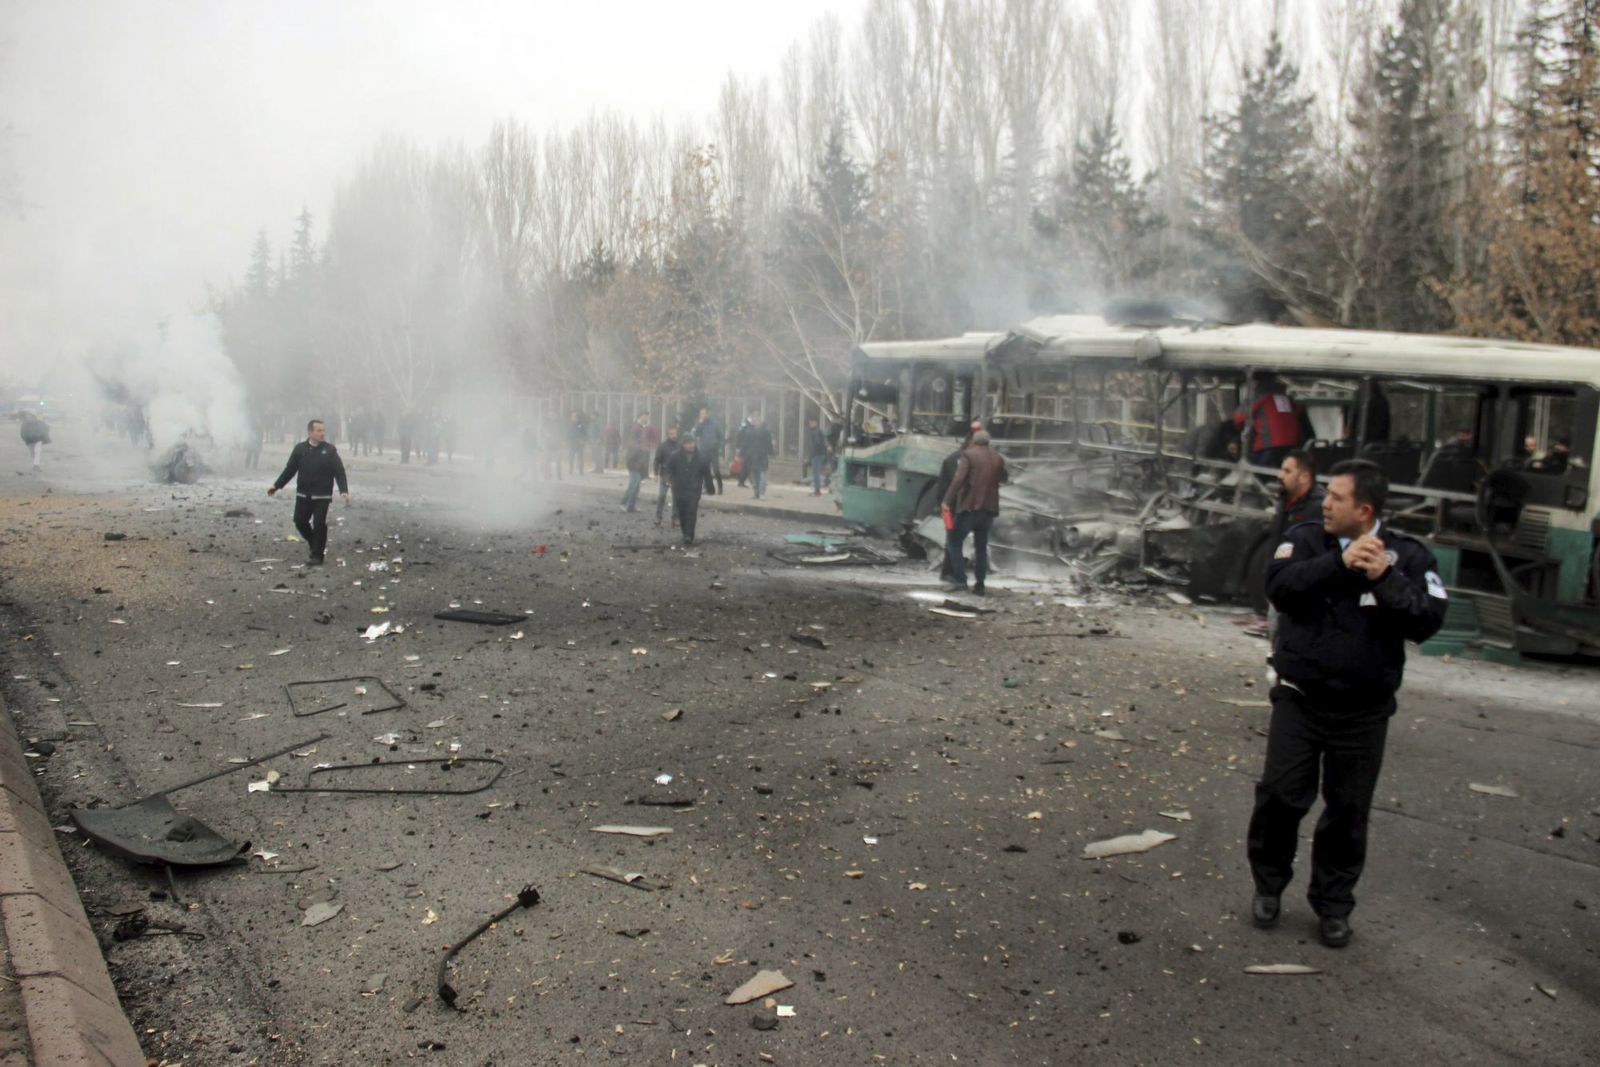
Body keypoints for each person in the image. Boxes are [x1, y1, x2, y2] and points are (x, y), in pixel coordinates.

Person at [1248, 459, 1448, 948]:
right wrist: (1338, 564)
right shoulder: (1305, 539)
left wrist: (1385, 578)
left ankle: (1334, 906)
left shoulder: (1408, 555)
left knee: (1348, 812)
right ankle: (1268, 886)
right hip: (1300, 698)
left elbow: (1427, 621)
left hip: (1364, 710)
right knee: (1280, 797)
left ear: (1365, 511)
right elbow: (1278, 588)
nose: (1326, 504)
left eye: (1336, 498)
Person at [268, 419, 350, 566]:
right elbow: (290, 470)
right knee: (300, 522)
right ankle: (314, 543)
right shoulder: (300, 449)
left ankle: (317, 556)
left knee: (319, 524)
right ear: (310, 432)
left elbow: (339, 471)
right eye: (319, 430)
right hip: (303, 494)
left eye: (323, 430)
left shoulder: (329, 450)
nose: (322, 433)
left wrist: (343, 490)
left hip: (322, 495)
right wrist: (277, 486)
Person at [941, 430, 1008, 595]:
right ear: (989, 442)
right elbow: (1004, 478)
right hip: (989, 510)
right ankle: (980, 585)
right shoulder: (997, 458)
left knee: (954, 541)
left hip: (969, 507)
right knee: (981, 547)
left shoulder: (968, 455)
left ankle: (960, 580)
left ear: (973, 442)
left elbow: (958, 479)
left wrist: (947, 501)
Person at [933, 422, 981, 582]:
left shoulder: (951, 459)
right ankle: (952, 573)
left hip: (949, 507)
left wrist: (940, 505)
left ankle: (947, 572)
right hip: (960, 508)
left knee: (952, 539)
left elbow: (941, 485)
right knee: (954, 540)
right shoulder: (970, 460)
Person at [1235, 374, 1314, 468]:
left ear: (1256, 382)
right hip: (1292, 445)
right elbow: (1298, 412)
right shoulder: (1285, 396)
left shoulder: (1259, 396)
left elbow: (1239, 418)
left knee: (1256, 471)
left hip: (1268, 445)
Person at [664, 433, 716, 545]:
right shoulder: (675, 456)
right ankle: (685, 533)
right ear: (683, 444)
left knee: (691, 512)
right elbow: (668, 469)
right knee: (682, 512)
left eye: (692, 443)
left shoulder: (701, 457)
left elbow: (707, 474)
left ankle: (689, 536)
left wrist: (710, 488)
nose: (690, 445)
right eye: (688, 443)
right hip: (679, 489)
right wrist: (668, 479)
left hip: (694, 489)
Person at [619, 414, 656, 512]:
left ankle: (631, 505)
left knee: (636, 485)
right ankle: (624, 503)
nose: (642, 437)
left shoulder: (640, 442)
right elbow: (631, 455)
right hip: (633, 465)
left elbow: (641, 454)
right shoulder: (634, 440)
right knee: (634, 484)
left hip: (638, 465)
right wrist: (635, 464)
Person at [653, 425, 682, 526]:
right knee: (662, 496)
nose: (673, 435)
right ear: (667, 435)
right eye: (671, 434)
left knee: (676, 498)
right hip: (665, 474)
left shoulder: (680, 446)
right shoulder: (662, 446)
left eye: (675, 433)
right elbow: (657, 460)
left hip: (677, 476)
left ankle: (675, 517)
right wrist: (656, 473)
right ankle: (658, 516)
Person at [692, 408, 725, 493]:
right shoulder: (699, 424)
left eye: (704, 414)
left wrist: (720, 446)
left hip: (713, 450)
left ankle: (720, 486)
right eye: (701, 414)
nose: (702, 415)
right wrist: (699, 424)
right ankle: (706, 487)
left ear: (707, 414)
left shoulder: (715, 424)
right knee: (705, 470)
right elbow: (695, 434)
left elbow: (721, 436)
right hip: (703, 450)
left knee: (716, 469)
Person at [743, 414, 774, 499]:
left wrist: (771, 452)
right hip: (752, 456)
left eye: (755, 419)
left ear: (759, 420)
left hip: (761, 455)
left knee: (761, 474)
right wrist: (743, 453)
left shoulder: (764, 431)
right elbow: (745, 443)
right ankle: (756, 493)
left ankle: (761, 493)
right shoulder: (749, 430)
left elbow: (768, 443)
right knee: (754, 475)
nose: (753, 421)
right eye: (753, 419)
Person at [803, 417, 831, 496]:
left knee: (816, 474)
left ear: (815, 423)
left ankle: (817, 491)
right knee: (816, 473)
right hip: (819, 454)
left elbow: (816, 444)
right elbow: (824, 442)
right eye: (809, 423)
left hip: (816, 455)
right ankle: (816, 490)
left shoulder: (815, 432)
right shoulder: (818, 431)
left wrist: (812, 455)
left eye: (811, 422)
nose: (810, 424)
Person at [733, 415, 754, 488]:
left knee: (745, 465)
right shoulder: (745, 425)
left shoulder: (752, 425)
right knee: (748, 464)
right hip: (745, 448)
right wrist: (738, 447)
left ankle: (741, 481)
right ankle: (752, 480)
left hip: (750, 448)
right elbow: (739, 436)